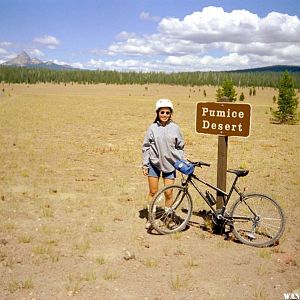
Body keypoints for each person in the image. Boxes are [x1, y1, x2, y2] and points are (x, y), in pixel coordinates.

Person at [142, 99, 185, 229]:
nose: (164, 115)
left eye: (167, 112)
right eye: (162, 112)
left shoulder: (175, 128)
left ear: (171, 113)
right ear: (158, 113)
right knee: (153, 192)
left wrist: (181, 162)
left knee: (169, 193)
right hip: (154, 164)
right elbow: (146, 147)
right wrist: (145, 164)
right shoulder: (152, 128)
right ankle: (151, 218)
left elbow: (181, 146)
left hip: (170, 165)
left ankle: (168, 219)